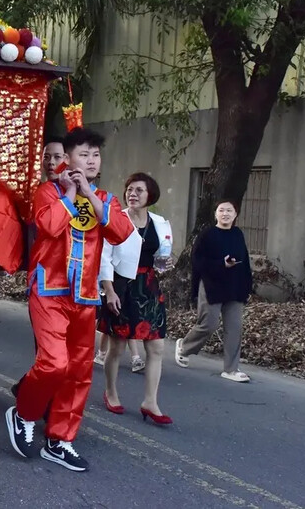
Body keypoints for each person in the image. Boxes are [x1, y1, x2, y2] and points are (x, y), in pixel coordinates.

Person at [5, 128, 132, 472]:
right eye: (83, 155)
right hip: (50, 290)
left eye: (96, 156)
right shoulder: (47, 192)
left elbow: (120, 232)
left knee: (78, 373)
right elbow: (47, 226)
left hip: (86, 296)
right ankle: (24, 413)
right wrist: (70, 193)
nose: (91, 161)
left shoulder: (105, 198)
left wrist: (88, 193)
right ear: (67, 160)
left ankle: (60, 440)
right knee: (54, 364)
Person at [98, 172, 172, 424]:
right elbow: (104, 258)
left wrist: (165, 263)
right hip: (122, 286)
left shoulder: (159, 223)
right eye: (130, 189)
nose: (133, 193)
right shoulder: (116, 220)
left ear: (150, 195)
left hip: (149, 287)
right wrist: (108, 291)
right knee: (117, 345)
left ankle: (150, 401)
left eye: (139, 190)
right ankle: (111, 392)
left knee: (157, 346)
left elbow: (161, 258)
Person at [175, 200, 253, 383]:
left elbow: (245, 260)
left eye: (229, 210)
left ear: (235, 214)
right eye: (221, 210)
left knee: (234, 328)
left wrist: (247, 284)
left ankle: (231, 369)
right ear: (216, 214)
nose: (225, 214)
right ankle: (184, 347)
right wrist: (221, 264)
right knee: (208, 324)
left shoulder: (238, 234)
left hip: (234, 287)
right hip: (211, 285)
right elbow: (197, 261)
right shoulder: (207, 234)